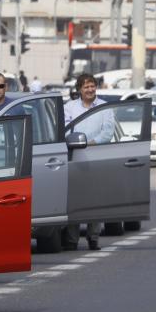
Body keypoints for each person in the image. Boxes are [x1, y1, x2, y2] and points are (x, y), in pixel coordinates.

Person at [62, 73, 113, 250]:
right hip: (75, 155)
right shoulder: (70, 107)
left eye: (92, 86)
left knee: (94, 199)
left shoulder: (105, 107)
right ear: (79, 89)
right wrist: (77, 141)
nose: (90, 90)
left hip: (96, 156)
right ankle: (71, 239)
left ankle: (93, 237)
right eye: (86, 87)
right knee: (74, 199)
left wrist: (91, 143)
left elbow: (107, 132)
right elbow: (65, 130)